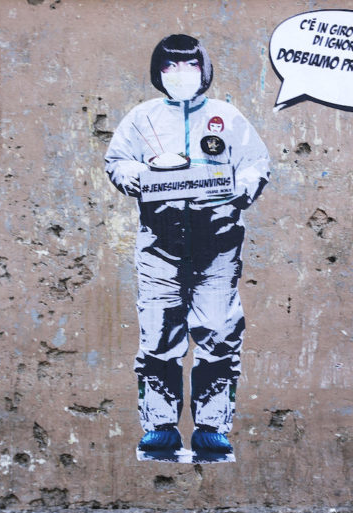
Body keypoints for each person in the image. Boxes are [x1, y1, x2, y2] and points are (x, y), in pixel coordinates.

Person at [104, 34, 270, 459]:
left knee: (217, 333)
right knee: (159, 336)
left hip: (216, 245)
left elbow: (255, 163)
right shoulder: (142, 118)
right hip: (161, 244)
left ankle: (212, 426)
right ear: (159, 73)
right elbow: (117, 161)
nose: (180, 75)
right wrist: (135, 176)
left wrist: (239, 191)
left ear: (204, 70)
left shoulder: (226, 117)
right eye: (170, 67)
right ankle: (159, 425)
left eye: (189, 67)